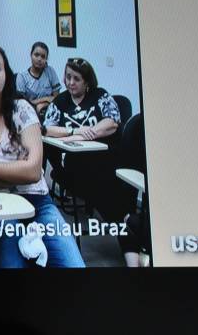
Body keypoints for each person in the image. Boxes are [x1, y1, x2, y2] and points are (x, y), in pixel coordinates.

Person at [0, 42, 85, 268]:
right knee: (13, 264)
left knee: (74, 265)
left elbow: (32, 172)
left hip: (37, 200)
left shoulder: (22, 108)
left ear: (7, 76)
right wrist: (11, 177)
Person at [42, 57, 131, 225]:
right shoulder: (60, 101)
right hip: (76, 162)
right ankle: (125, 224)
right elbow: (47, 129)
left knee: (107, 178)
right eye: (68, 77)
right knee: (100, 182)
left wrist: (81, 136)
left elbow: (112, 122)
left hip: (105, 157)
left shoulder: (100, 95)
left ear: (87, 81)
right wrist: (74, 131)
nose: (70, 82)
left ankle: (125, 227)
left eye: (76, 78)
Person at [15, 42, 61, 117]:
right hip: (28, 113)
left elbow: (57, 98)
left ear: (46, 59)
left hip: (49, 110)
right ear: (31, 55)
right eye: (36, 55)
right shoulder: (21, 77)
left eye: (43, 57)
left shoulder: (50, 71)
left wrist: (40, 102)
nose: (39, 59)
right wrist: (45, 99)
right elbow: (21, 103)